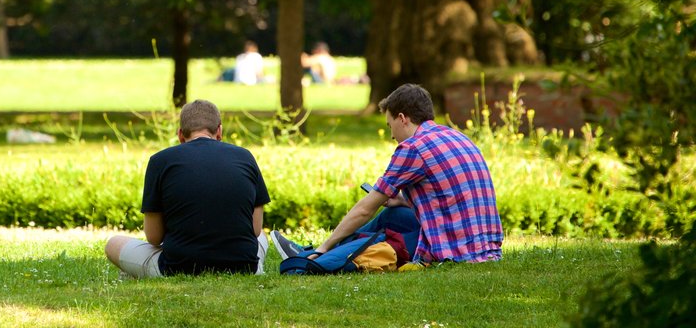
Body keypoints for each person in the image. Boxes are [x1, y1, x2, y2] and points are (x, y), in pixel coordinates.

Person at [271, 83, 503, 266]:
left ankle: (316, 255)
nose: (391, 135)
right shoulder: (457, 136)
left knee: (384, 223)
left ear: (402, 118)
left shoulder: (413, 147)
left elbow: (365, 209)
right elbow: (448, 197)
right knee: (394, 212)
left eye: (390, 125)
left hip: (457, 251)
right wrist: (402, 200)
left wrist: (326, 244)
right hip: (486, 247)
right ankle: (309, 252)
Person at [105, 99, 271, 278]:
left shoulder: (160, 161)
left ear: (180, 135)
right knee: (262, 235)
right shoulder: (245, 157)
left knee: (113, 244)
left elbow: (154, 237)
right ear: (219, 131)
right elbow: (255, 229)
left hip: (177, 267)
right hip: (244, 266)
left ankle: (137, 272)